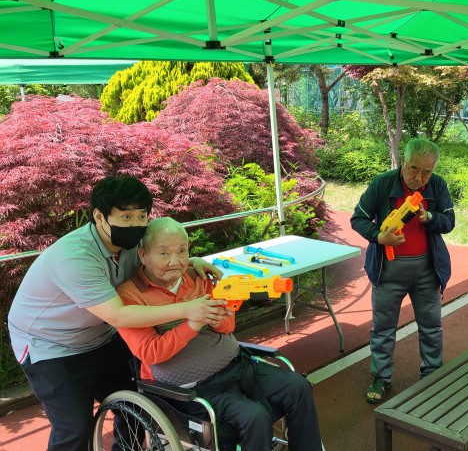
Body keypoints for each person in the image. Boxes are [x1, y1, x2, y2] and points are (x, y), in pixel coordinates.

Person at [7, 176, 227, 451]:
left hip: (100, 335)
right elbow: (119, 315)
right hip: (51, 344)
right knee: (75, 428)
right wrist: (188, 309)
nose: (135, 225)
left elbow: (156, 260)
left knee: (138, 404)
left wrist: (190, 261)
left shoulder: (132, 245)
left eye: (141, 216)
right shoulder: (76, 257)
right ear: (99, 216)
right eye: (125, 217)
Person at [116, 218, 322, 451]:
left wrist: (221, 316)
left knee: (299, 387)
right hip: (193, 391)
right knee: (255, 417)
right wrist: (193, 324)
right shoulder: (130, 296)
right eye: (164, 253)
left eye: (182, 251)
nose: (175, 261)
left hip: (239, 367)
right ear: (143, 255)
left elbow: (227, 328)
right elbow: (150, 352)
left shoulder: (199, 276)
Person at [350, 138, 455, 404]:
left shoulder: (438, 185)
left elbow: (449, 222)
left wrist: (429, 218)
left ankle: (432, 374)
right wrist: (378, 236)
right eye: (413, 168)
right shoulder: (382, 183)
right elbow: (358, 218)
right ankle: (381, 377)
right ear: (403, 161)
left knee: (431, 326)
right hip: (388, 270)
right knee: (383, 328)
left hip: (427, 269)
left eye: (427, 171)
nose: (419, 177)